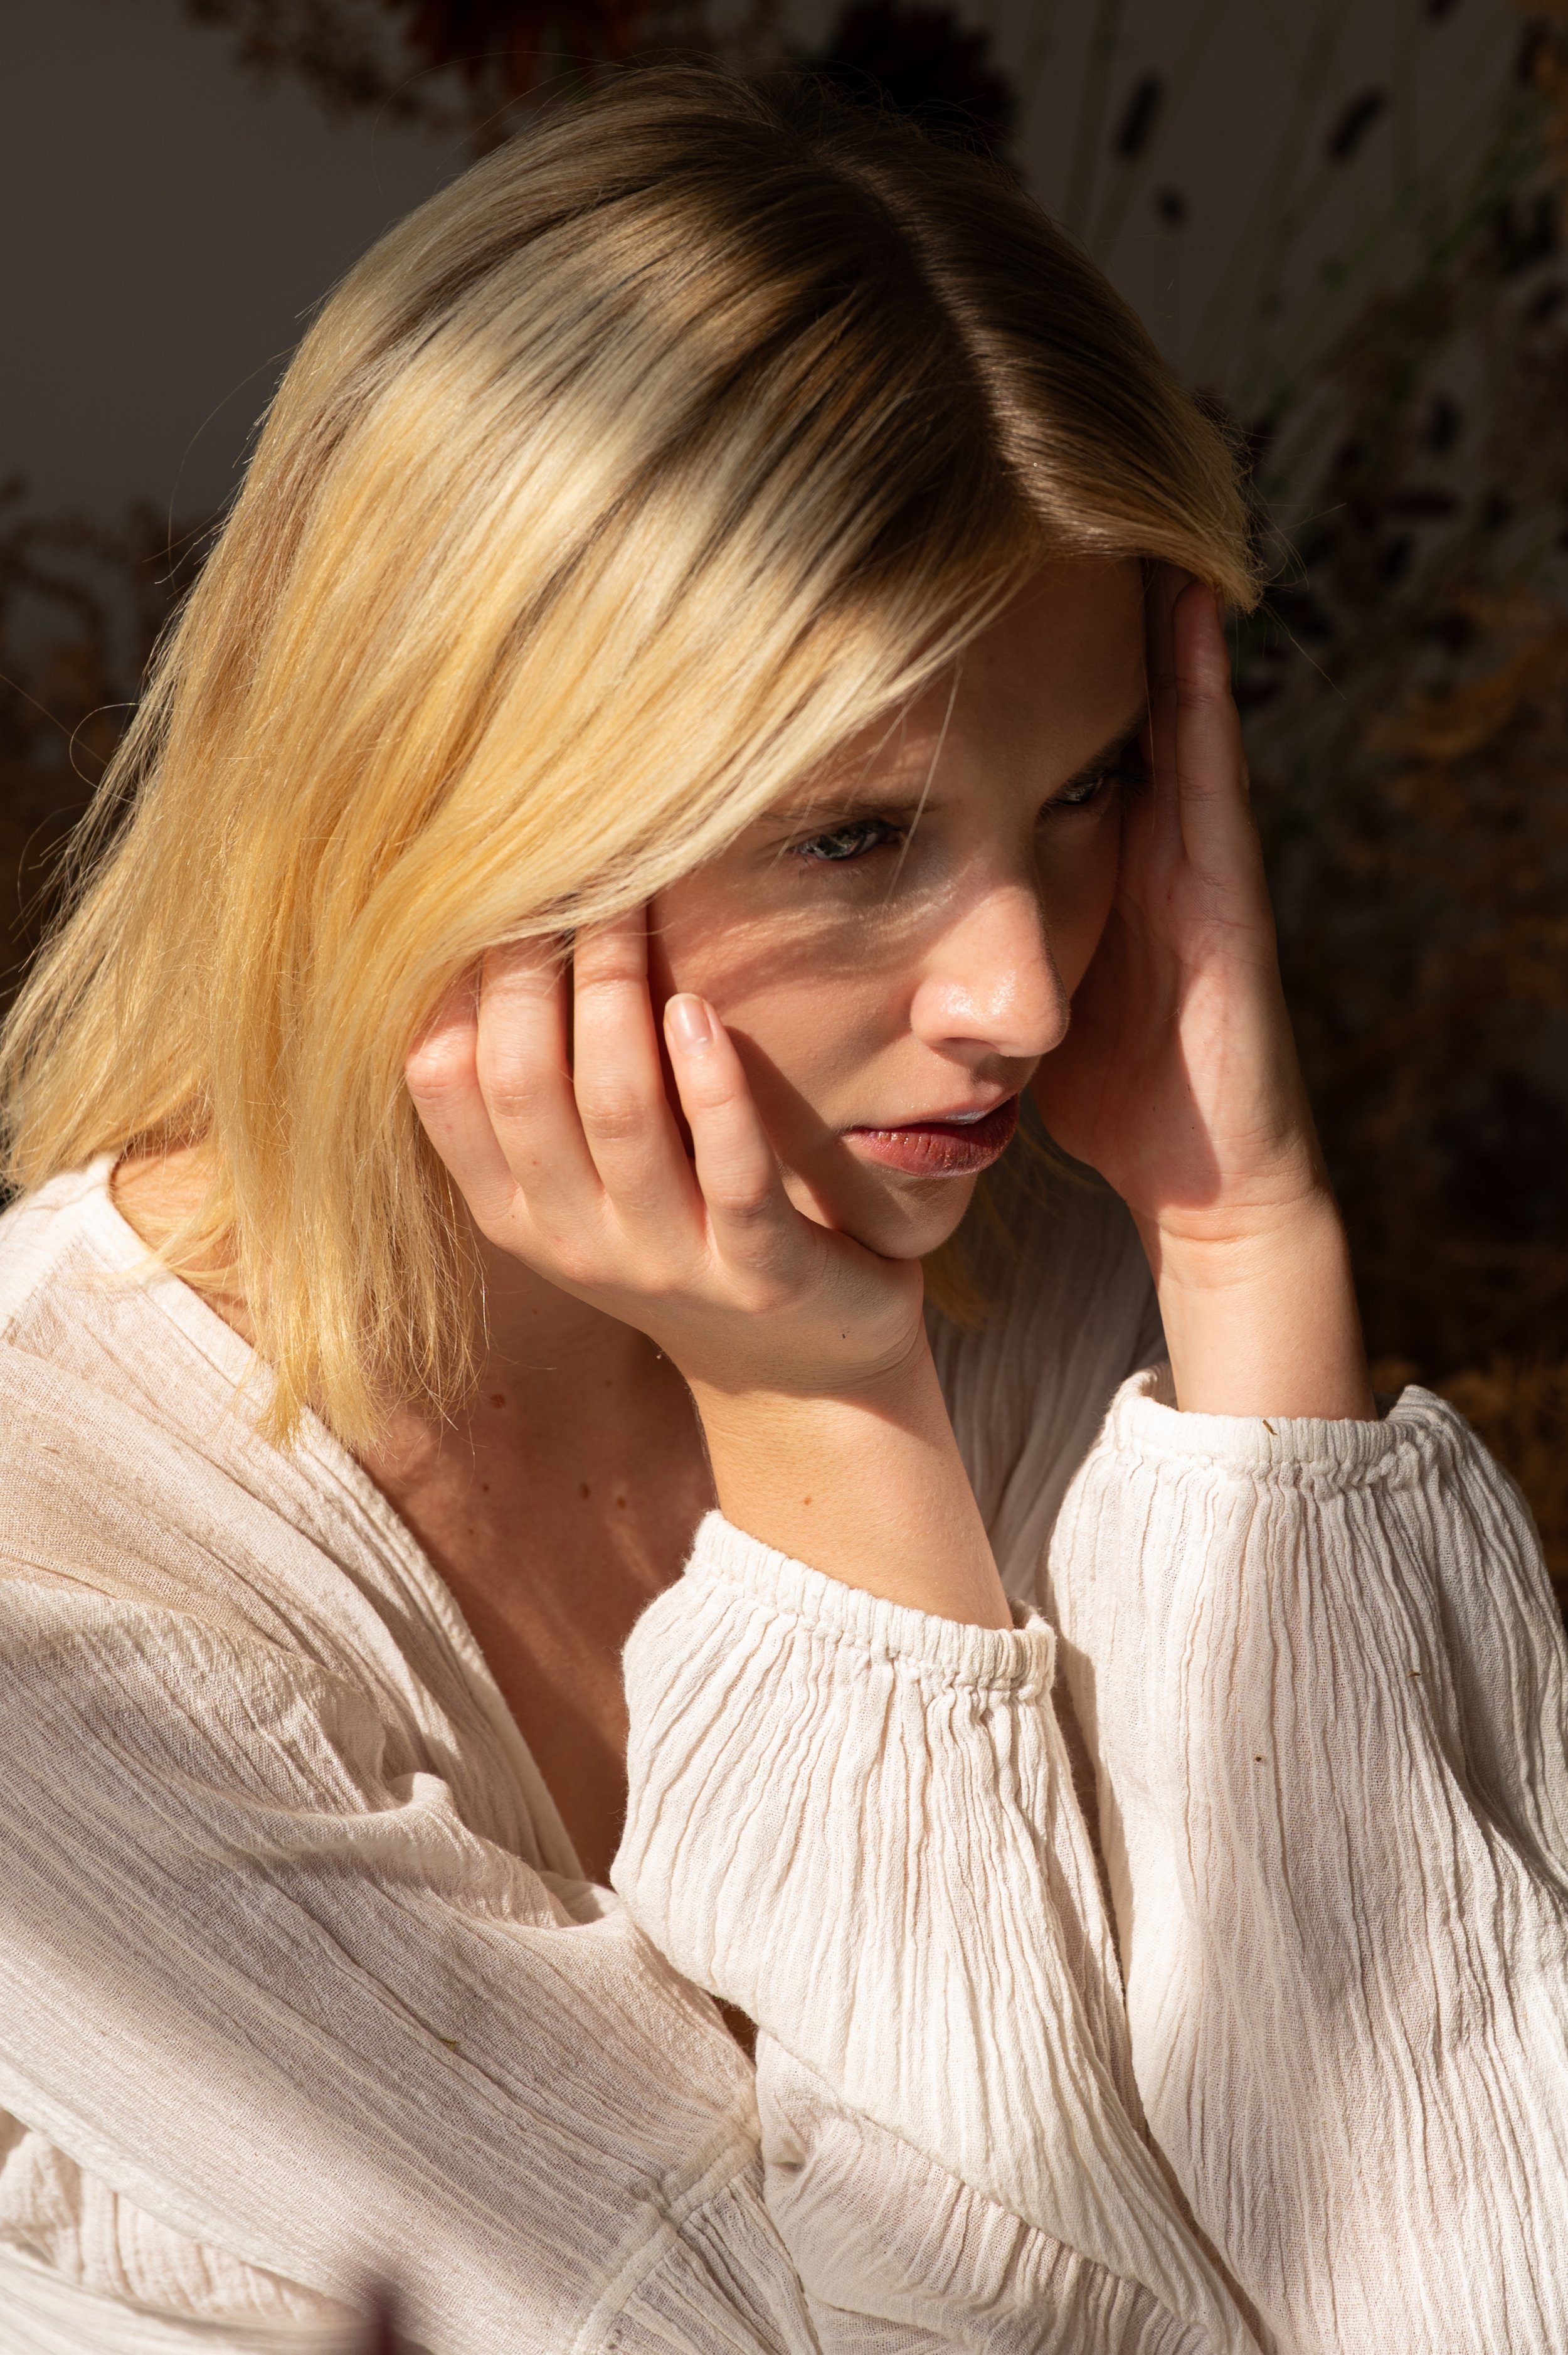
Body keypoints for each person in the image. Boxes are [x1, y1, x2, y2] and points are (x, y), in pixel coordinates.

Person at [0, 65, 1562, 2355]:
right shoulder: (62, 1594)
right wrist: (823, 1423)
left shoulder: (1019, 1284)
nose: (1026, 985)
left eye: (1092, 789)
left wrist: (1250, 1252)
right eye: (854, 839)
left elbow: (1472, 2269)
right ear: (440, 802)